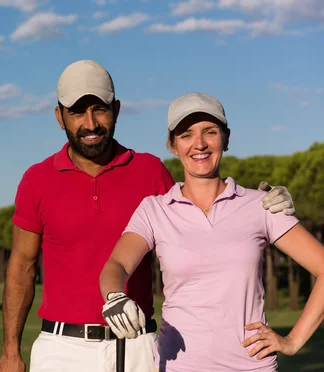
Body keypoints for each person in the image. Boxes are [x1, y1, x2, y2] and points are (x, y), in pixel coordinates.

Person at [0, 60, 297, 372]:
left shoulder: (150, 171)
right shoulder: (37, 179)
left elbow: (202, 213)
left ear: (117, 110)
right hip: (62, 348)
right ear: (59, 117)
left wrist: (260, 202)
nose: (90, 122)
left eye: (100, 109)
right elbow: (21, 266)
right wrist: (10, 351)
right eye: (76, 112)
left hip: (139, 348)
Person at [99, 92, 324, 371]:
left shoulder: (261, 205)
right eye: (186, 135)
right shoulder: (155, 209)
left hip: (251, 367)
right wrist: (114, 296)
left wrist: (293, 340)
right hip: (179, 366)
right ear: (172, 145)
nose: (200, 144)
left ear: (226, 139)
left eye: (210, 132)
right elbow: (117, 263)